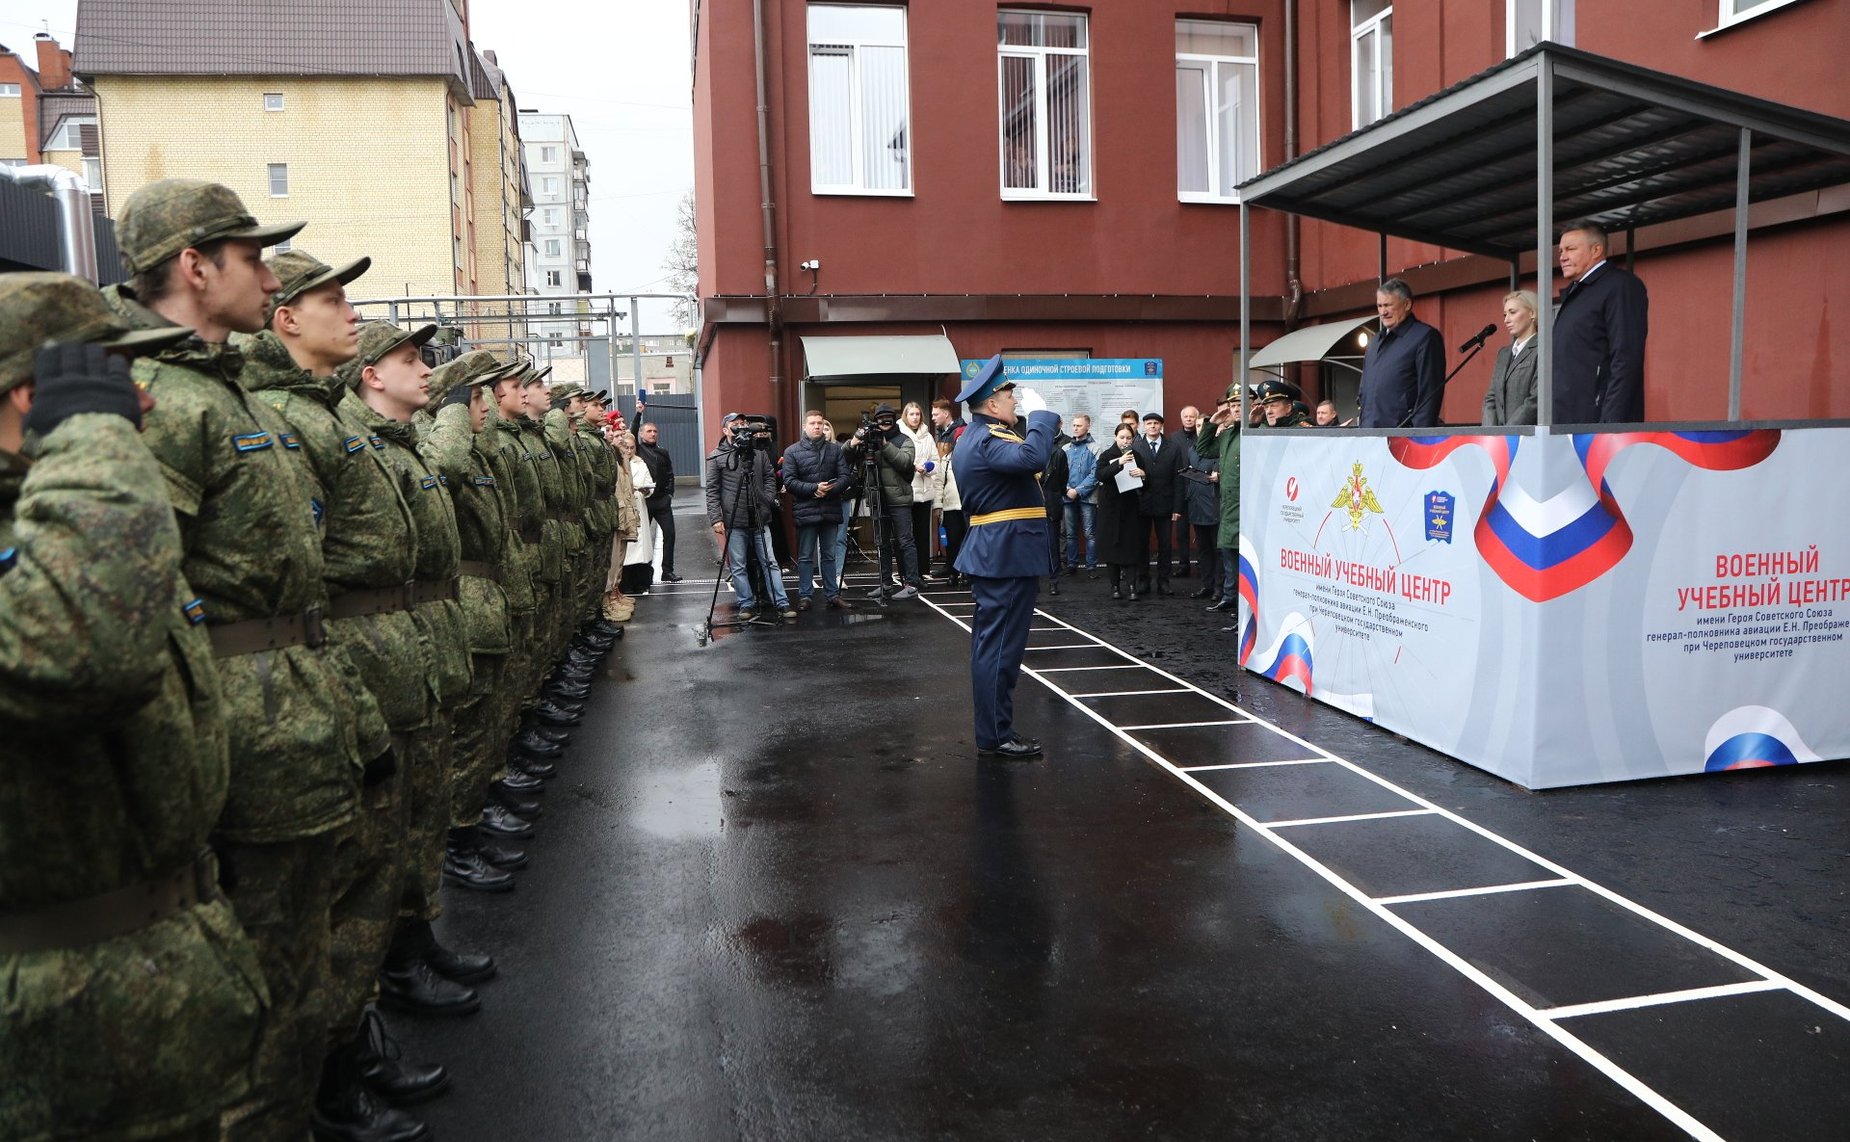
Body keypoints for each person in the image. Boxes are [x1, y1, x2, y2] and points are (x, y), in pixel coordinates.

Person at [0, 276, 269, 1142]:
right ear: (38, 400)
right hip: (61, 1037)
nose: (143, 401)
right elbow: (86, 651)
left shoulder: (72, 515)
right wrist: (92, 433)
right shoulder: (85, 510)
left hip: (158, 996)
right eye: (115, 380)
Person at [951, 355, 1058, 760]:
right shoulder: (987, 439)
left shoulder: (985, 435)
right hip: (1005, 553)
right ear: (991, 404)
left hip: (1003, 552)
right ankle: (996, 734)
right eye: (1010, 395)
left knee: (993, 646)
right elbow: (1033, 459)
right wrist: (1042, 415)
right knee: (1000, 649)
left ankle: (993, 731)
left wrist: (1040, 423)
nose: (1016, 401)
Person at [1553, 219, 1648, 423]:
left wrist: (1610, 424)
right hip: (1568, 423)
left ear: (1596, 250)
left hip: (1598, 424)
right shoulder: (1577, 292)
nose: (1563, 257)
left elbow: (1625, 357)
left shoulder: (1621, 286)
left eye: (1570, 249)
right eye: (1560, 251)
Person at [707, 413, 793, 621]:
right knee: (738, 565)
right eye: (734, 425)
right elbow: (712, 490)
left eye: (742, 424)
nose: (739, 427)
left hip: (760, 516)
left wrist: (769, 499)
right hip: (734, 519)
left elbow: (770, 478)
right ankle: (746, 603)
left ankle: (781, 602)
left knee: (770, 562)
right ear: (725, 430)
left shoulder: (758, 454)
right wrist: (715, 518)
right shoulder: (717, 455)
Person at [847, 402, 921, 599]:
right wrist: (854, 441)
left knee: (905, 541)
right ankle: (885, 582)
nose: (884, 422)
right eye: (880, 419)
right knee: (881, 542)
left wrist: (885, 444)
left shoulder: (904, 440)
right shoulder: (868, 441)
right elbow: (844, 457)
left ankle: (912, 583)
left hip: (899, 499)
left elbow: (905, 463)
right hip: (877, 498)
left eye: (888, 418)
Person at [783, 408, 852, 610]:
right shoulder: (792, 451)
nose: (817, 426)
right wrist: (814, 489)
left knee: (829, 555)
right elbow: (789, 481)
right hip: (806, 509)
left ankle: (832, 594)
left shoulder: (835, 450)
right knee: (805, 556)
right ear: (805, 426)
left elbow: (845, 477)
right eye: (813, 423)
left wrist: (827, 490)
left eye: (820, 423)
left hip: (830, 508)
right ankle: (805, 595)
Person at [1357, 277, 1444, 428]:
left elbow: (1429, 396)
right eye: (1379, 306)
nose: (1383, 312)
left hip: (1402, 438)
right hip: (1369, 436)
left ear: (1407, 304)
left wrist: (1417, 437)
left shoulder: (1425, 337)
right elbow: (1364, 390)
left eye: (1388, 305)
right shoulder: (1374, 343)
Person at [1197, 385, 1244, 622]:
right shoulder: (1227, 434)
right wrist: (1212, 424)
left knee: (1241, 557)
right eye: (1233, 405)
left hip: (1244, 506)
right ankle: (1229, 596)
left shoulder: (1252, 432)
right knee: (1227, 551)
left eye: (1240, 405)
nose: (1236, 409)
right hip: (1227, 504)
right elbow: (1203, 449)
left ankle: (1241, 603)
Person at [1094, 422, 1148, 601]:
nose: (1125, 441)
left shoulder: (1137, 455)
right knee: (1112, 548)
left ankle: (1132, 586)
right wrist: (1119, 463)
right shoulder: (1106, 455)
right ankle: (1115, 586)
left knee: (1130, 548)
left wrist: (1143, 474)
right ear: (1115, 438)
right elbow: (1101, 475)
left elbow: (1147, 483)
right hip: (1110, 509)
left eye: (1128, 438)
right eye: (1122, 437)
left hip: (1129, 508)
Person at [1133, 411, 1186, 595]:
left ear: (1161, 426)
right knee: (1141, 544)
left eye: (1156, 423)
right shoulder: (1136, 447)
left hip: (1166, 504)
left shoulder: (1173, 447)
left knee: (1165, 545)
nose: (1153, 426)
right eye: (1149, 423)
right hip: (1142, 503)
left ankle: (1164, 581)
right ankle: (1143, 579)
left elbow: (1179, 478)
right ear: (1143, 426)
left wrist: (1177, 507)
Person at [1481, 289, 1542, 426]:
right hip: (1500, 440)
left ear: (1532, 313)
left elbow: (1536, 399)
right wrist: (1490, 433)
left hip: (1527, 438)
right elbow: (1491, 397)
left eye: (1512, 312)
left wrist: (1509, 434)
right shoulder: (1503, 354)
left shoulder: (1543, 348)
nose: (1506, 320)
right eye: (1505, 314)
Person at [900, 401, 943, 578]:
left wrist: (927, 467)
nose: (915, 417)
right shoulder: (899, 434)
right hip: (907, 490)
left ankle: (923, 570)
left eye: (918, 414)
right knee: (906, 535)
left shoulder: (928, 436)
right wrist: (913, 466)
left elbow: (936, 462)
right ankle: (907, 573)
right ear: (905, 416)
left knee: (922, 533)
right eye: (912, 414)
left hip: (925, 492)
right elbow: (895, 460)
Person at [635, 420, 680, 581]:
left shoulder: (663, 452)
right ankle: (645, 573)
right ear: (641, 434)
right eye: (649, 431)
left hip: (662, 501)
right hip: (644, 502)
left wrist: (669, 494)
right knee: (643, 538)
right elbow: (632, 431)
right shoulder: (638, 450)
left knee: (670, 534)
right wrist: (639, 412)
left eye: (655, 431)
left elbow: (670, 474)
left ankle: (667, 571)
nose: (653, 434)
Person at [1062, 412, 1099, 576]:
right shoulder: (1065, 448)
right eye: (1074, 425)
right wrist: (1068, 489)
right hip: (1067, 496)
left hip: (1088, 498)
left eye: (1079, 425)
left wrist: (1077, 490)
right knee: (1070, 534)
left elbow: (1095, 474)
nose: (1075, 428)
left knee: (1090, 534)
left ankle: (1091, 567)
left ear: (1087, 427)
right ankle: (1072, 565)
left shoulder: (1095, 448)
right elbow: (1060, 473)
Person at [1038, 413, 1069, 595]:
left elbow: (1063, 480)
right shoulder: (1030, 451)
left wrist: (1055, 495)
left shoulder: (1058, 453)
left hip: (1051, 503)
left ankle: (1053, 580)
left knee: (1052, 545)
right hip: (1033, 504)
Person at [1172, 405, 1200, 578]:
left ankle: (1203, 563)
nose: (1189, 419)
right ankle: (1183, 565)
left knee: (1202, 531)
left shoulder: (1203, 436)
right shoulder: (1174, 438)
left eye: (1192, 416)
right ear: (1181, 418)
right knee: (1181, 532)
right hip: (1181, 490)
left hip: (1199, 489)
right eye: (1186, 416)